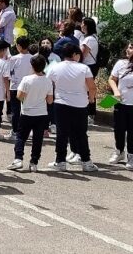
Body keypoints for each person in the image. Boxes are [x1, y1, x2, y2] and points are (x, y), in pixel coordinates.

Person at [47, 43, 98, 172]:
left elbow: (48, 85)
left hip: (61, 104)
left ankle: (60, 161)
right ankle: (86, 161)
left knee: (62, 134)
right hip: (80, 104)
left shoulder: (54, 67)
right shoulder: (84, 68)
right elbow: (92, 87)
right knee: (81, 133)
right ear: (75, 55)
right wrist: (91, 99)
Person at [8, 55, 53, 172]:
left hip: (27, 112)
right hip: (42, 113)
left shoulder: (26, 79)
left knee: (21, 137)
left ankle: (18, 159)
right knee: (37, 139)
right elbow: (50, 100)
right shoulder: (48, 81)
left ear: (32, 66)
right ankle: (34, 162)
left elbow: (19, 96)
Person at [108, 43, 133, 169]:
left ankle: (131, 155)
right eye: (128, 47)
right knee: (119, 129)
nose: (128, 50)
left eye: (131, 48)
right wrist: (116, 91)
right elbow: (112, 79)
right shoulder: (120, 63)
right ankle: (119, 151)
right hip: (120, 103)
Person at [6, 36, 34, 141]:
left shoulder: (13, 59)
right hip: (29, 87)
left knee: (16, 111)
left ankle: (15, 131)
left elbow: (9, 74)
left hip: (15, 87)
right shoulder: (33, 58)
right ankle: (28, 130)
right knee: (27, 109)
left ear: (19, 46)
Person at [80, 17, 100, 125]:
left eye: (83, 24)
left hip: (88, 67)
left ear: (87, 25)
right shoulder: (93, 37)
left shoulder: (89, 40)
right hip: (91, 66)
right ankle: (89, 114)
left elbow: (83, 55)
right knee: (88, 89)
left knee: (89, 90)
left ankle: (90, 114)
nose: (81, 25)